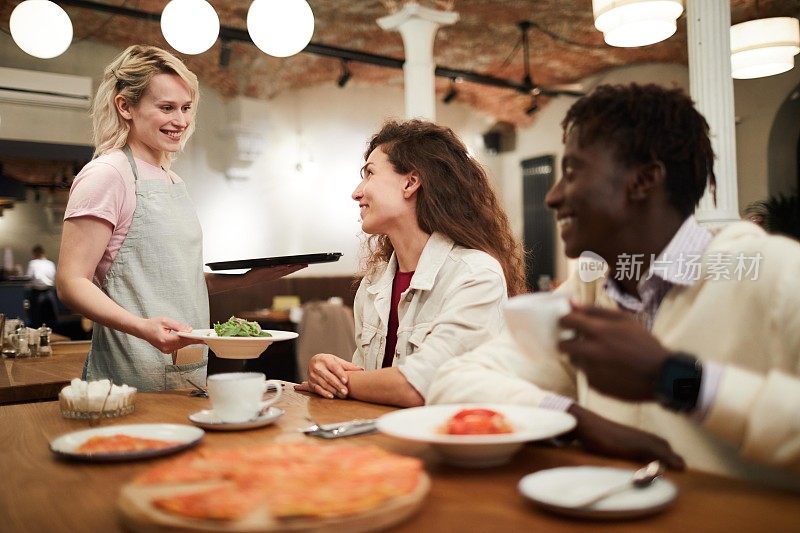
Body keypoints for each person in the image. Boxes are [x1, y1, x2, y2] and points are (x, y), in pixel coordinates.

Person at [429, 83, 800, 490]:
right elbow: (453, 380)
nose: (552, 197)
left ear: (643, 180)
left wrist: (673, 378)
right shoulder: (587, 292)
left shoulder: (774, 272)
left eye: (571, 171)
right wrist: (577, 419)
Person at [57, 45, 301, 392]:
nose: (182, 121)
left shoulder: (172, 179)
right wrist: (143, 327)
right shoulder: (107, 175)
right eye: (167, 108)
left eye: (186, 108)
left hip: (186, 366)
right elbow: (71, 282)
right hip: (130, 372)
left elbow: (177, 280)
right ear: (125, 106)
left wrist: (250, 277)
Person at [296, 120, 526, 407]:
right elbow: (370, 384)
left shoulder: (475, 274)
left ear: (410, 182)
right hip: (382, 440)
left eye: (369, 174)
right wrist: (326, 370)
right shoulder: (374, 282)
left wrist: (340, 381)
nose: (357, 192)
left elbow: (420, 387)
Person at [26, 244, 57, 328]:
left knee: (36, 318)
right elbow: (54, 277)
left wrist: (27, 288)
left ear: (35, 253)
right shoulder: (50, 264)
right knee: (50, 317)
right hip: (50, 292)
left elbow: (29, 278)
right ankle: (52, 335)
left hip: (37, 293)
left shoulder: (33, 263)